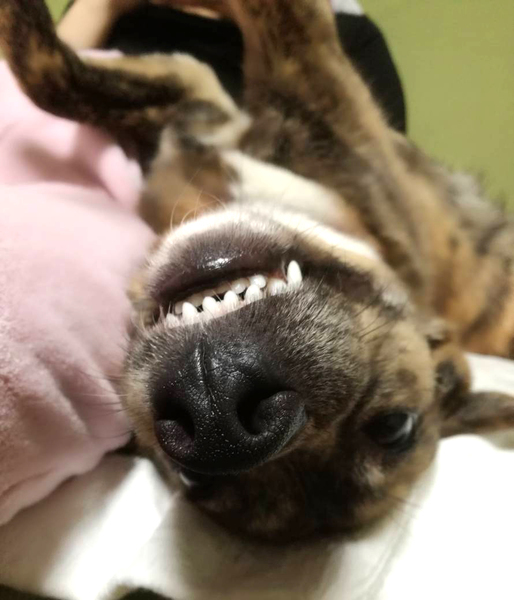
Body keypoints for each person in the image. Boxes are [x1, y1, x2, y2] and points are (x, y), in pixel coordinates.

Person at [0, 0, 405, 526]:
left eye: (200, 474)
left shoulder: (355, 39)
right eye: (392, 428)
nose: (222, 414)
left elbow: (15, 100)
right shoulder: (342, 42)